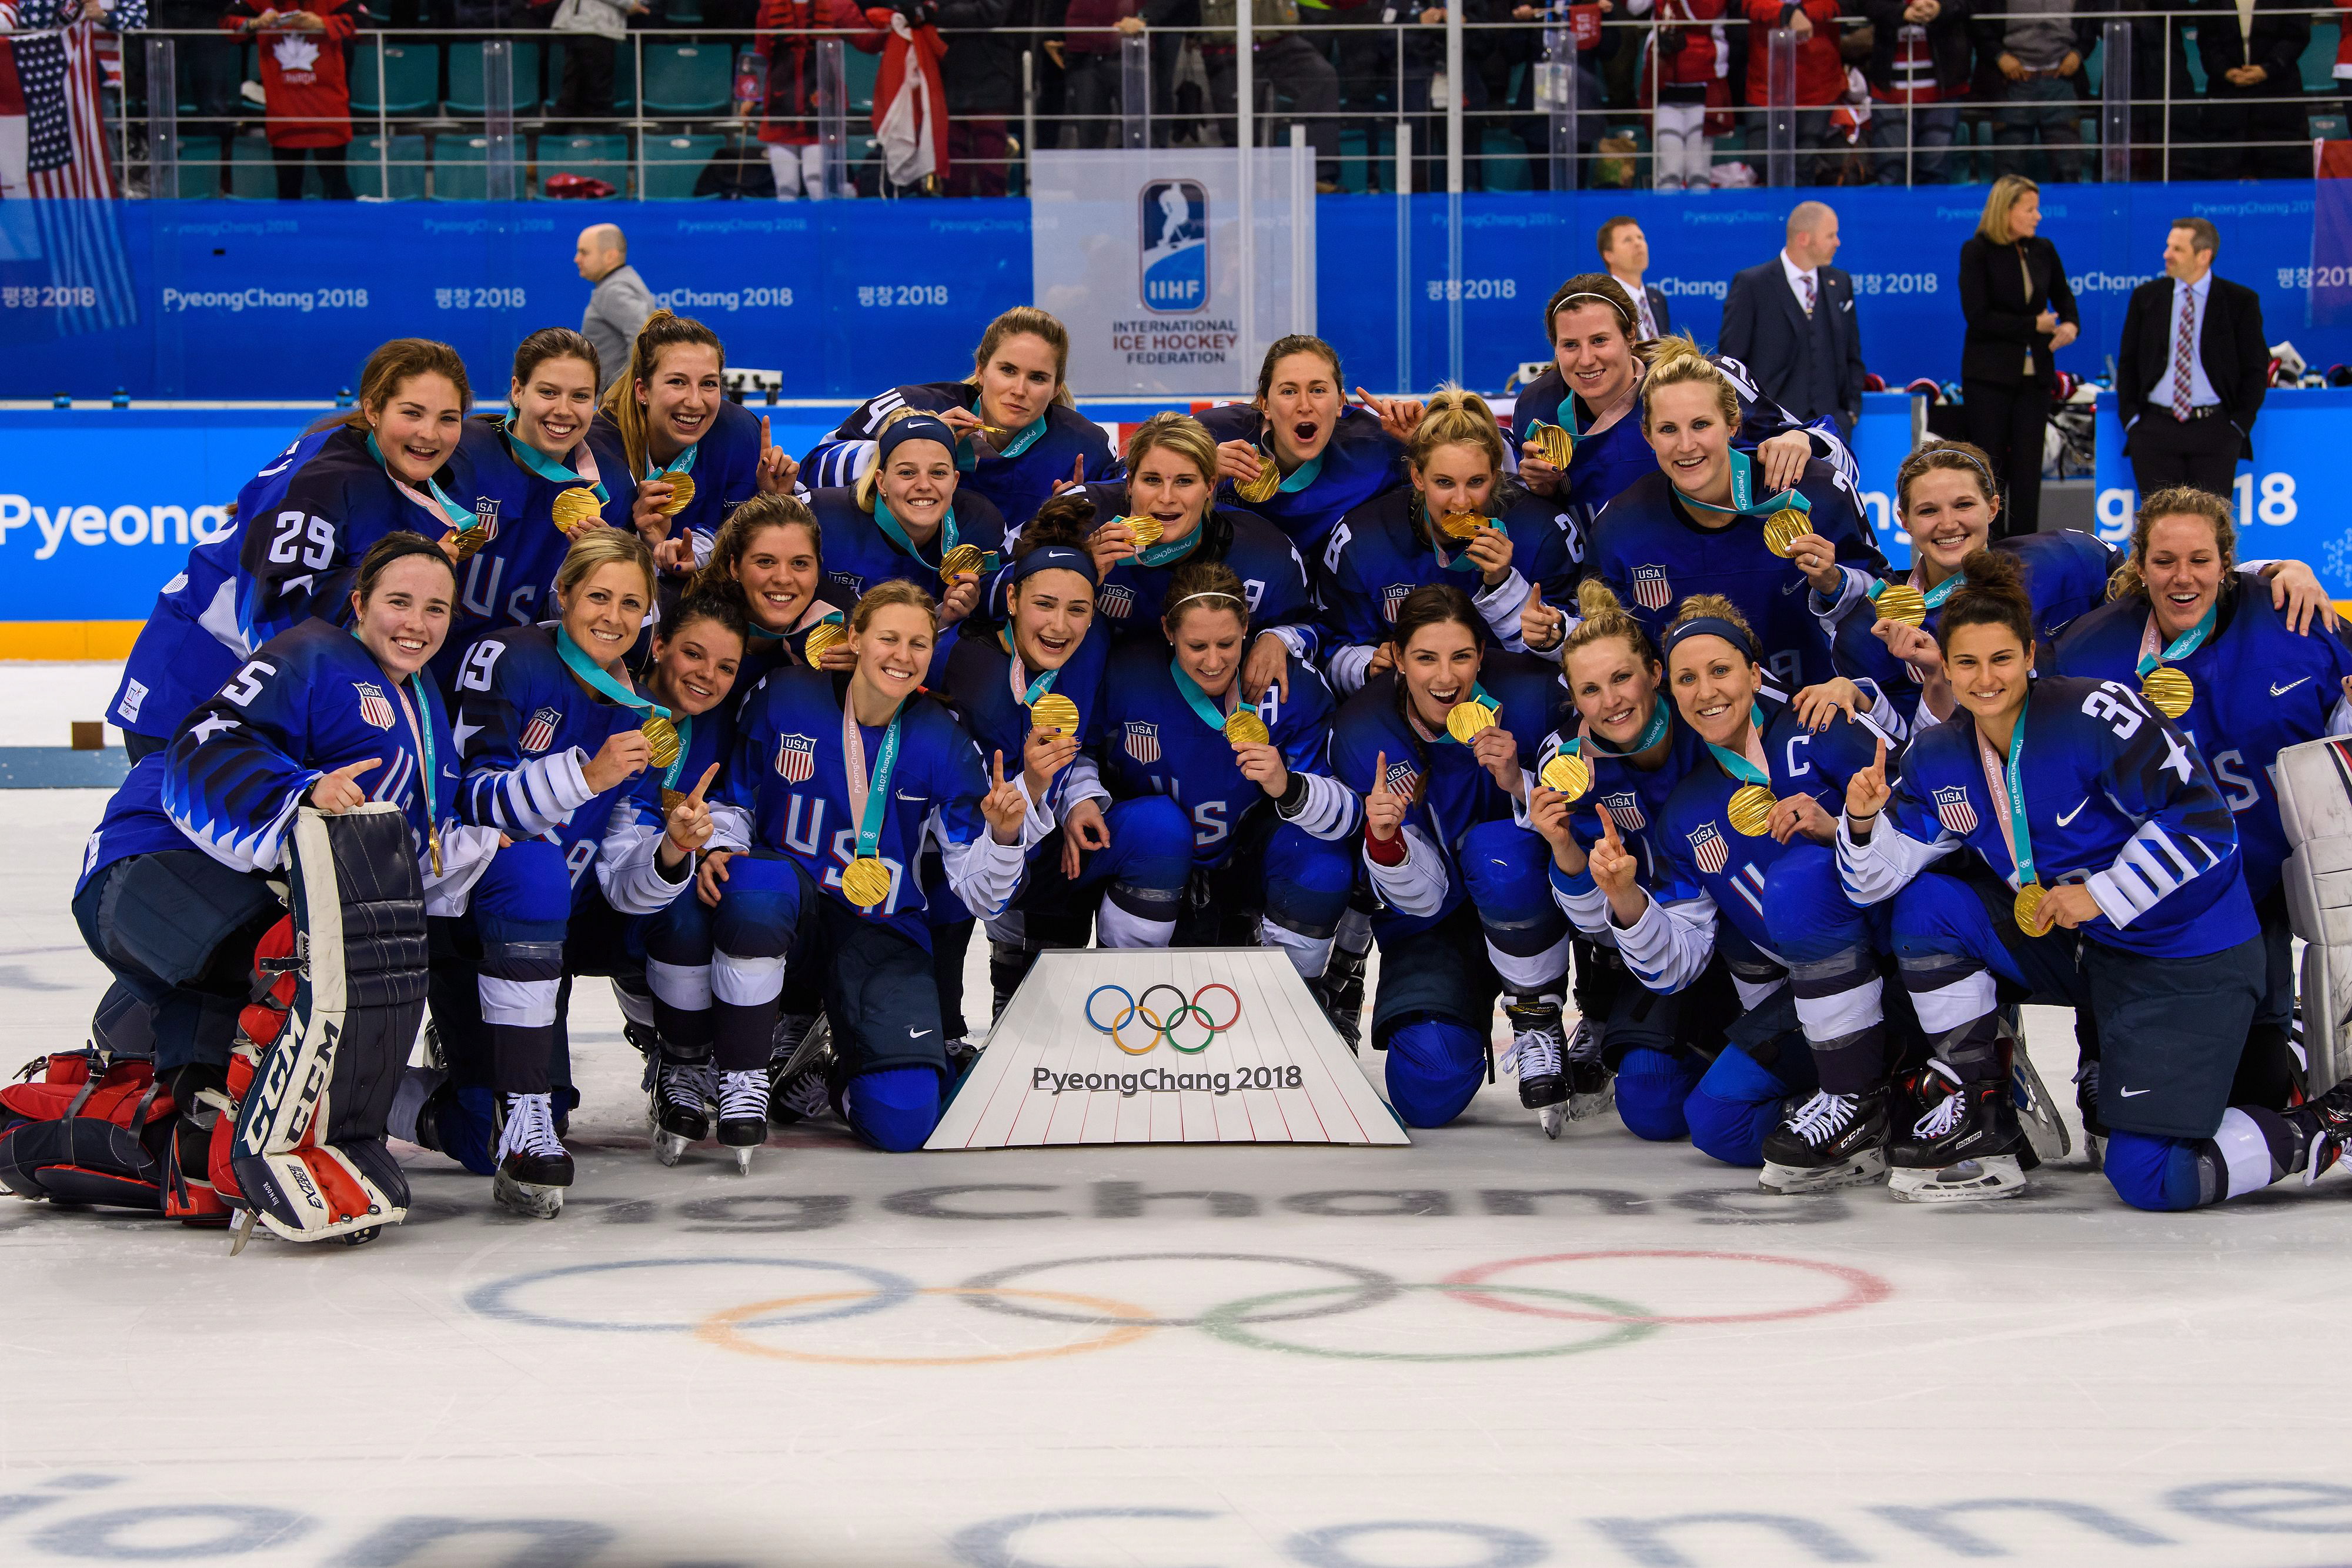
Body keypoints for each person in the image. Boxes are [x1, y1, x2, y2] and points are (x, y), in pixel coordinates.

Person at [1840, 547, 2352, 1212]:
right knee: (1927, 905)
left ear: (2030, 654)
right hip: (2087, 950)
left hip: (2182, 953)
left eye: (2000, 659)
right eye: (1965, 662)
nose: (1984, 678)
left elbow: (2206, 827)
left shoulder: (2096, 713)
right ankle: (1983, 1105)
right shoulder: (1937, 754)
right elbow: (1871, 885)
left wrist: (2100, 894)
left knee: (2149, 1175)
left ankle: (2332, 1121)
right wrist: (1858, 824)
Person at [73, 535, 489, 1211]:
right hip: (144, 869)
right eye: (400, 602)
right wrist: (299, 792)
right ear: (360, 602)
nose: (417, 622)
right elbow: (207, 740)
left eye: (436, 609)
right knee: (309, 965)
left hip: (203, 908)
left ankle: (133, 1061)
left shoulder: (421, 702)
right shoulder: (312, 652)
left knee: (195, 1161)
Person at [2054, 487, 2352, 1148]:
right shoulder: (2086, 654)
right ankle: (2098, 1052)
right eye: (2163, 561)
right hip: (2140, 898)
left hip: (2256, 889)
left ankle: (2287, 1038)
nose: (2181, 578)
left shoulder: (2298, 627)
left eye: (2199, 560)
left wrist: (2286, 570)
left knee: (2254, 1097)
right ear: (2139, 563)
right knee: (2123, 1122)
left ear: (2227, 564)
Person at [696, 582, 1038, 1154]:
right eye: (888, 639)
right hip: (795, 909)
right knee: (754, 884)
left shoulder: (943, 738)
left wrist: (1004, 838)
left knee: (902, 1124)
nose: (902, 656)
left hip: (880, 925)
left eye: (918, 644)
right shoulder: (785, 696)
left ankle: (832, 1072)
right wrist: (718, 847)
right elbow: (734, 801)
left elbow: (982, 895)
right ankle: (743, 1076)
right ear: (854, 638)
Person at [1577, 596, 1903, 1193]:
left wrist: (1842, 828)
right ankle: (1889, 1109)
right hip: (1816, 1001)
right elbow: (1674, 968)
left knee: (1798, 882)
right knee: (1716, 1122)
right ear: (1670, 692)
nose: (1706, 691)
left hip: (1907, 972)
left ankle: (1942, 1074)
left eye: (1720, 671)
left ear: (1754, 673)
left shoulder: (1820, 725)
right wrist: (1626, 898)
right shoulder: (1685, 812)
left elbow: (1934, 822)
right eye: (1687, 679)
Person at [438, 530, 717, 1216]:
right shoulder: (507, 655)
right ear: (563, 595)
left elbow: (619, 871)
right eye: (598, 596)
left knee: (500, 1132)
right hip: (462, 910)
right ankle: (372, 1088)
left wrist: (671, 852)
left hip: (543, 938)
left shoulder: (639, 717)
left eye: (631, 603)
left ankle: (512, 1099)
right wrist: (583, 776)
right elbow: (472, 795)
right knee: (532, 864)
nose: (612, 617)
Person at [106, 339, 476, 759]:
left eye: (448, 418)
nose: (429, 433)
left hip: (245, 702)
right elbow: (274, 610)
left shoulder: (387, 465)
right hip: (194, 695)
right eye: (411, 413)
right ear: (373, 410)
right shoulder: (323, 481)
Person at [1524, 581, 1760, 1151]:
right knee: (1650, 1107)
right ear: (1573, 699)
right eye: (1590, 690)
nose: (1610, 702)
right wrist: (1564, 848)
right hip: (1662, 940)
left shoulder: (1711, 715)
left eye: (1622, 678)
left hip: (1756, 939)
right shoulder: (1565, 765)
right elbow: (1592, 923)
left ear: (1655, 673)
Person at [1327, 584, 1570, 1128]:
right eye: (1426, 658)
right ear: (1398, 658)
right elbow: (1422, 897)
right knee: (1428, 1089)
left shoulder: (1534, 696)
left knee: (1497, 851)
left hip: (1526, 895)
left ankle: (1538, 1013)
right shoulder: (1364, 731)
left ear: (1482, 655)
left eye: (1462, 656)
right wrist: (1387, 842)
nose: (1446, 677)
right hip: (1433, 920)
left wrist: (1519, 784)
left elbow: (1582, 827)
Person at [1079, 559, 1359, 985]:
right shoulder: (1124, 674)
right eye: (1197, 646)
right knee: (1159, 827)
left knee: (1321, 861)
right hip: (1148, 858)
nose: (1214, 662)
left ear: (1247, 625)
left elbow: (1350, 817)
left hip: (1243, 862)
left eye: (1227, 643)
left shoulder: (1292, 688)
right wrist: (1082, 796)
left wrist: (1290, 785)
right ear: (1168, 632)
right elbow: (1078, 750)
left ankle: (1293, 999)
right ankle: (1126, 989)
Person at [1584, 339, 1883, 692]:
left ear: (1733, 424)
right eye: (1668, 430)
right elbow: (1610, 648)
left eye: (1701, 425)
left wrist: (1836, 585)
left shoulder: (1816, 492)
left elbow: (1888, 602)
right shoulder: (1620, 525)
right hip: (1691, 725)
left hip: (1813, 718)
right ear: (1648, 436)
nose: (1685, 445)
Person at [937, 510, 1110, 1034]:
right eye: (1044, 605)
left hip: (1020, 830)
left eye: (1078, 609)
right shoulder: (956, 661)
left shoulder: (1090, 650)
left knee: (1081, 851)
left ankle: (1023, 999)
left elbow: (1080, 750)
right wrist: (1031, 789)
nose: (1060, 626)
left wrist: (1076, 795)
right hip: (946, 844)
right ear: (1011, 600)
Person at [1509, 277, 1849, 541]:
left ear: (1631, 333)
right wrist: (1542, 492)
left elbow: (1839, 462)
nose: (1586, 359)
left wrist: (1803, 441)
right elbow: (1535, 525)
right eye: (1570, 345)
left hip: (1718, 566)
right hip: (1610, 586)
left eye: (1600, 340)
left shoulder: (1699, 384)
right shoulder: (1539, 406)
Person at [994, 414, 1314, 678]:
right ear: (1129, 482)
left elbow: (1319, 625)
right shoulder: (1078, 516)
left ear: (1210, 486)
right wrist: (1072, 570)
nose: (1166, 498)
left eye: (1185, 481)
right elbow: (995, 587)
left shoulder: (1266, 554)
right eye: (1152, 480)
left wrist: (1280, 638)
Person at [1317, 386, 1582, 696]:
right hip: (1408, 708)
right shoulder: (1361, 540)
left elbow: (1579, 659)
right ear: (1417, 477)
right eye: (1444, 482)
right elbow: (1331, 649)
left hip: (1516, 705)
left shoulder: (1543, 531)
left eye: (1476, 482)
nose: (1460, 501)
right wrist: (1368, 667)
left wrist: (1504, 585)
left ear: (1496, 476)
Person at [803, 307, 1121, 530]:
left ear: (1055, 389)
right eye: (1007, 370)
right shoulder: (911, 405)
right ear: (982, 369)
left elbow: (1135, 505)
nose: (1019, 390)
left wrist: (1088, 506)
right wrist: (916, 444)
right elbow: (814, 469)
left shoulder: (1084, 445)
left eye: (1038, 378)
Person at [443, 328, 620, 694]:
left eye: (581, 397)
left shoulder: (608, 484)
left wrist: (594, 575)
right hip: (424, 658)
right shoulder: (458, 453)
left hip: (516, 680)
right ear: (518, 391)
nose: (563, 410)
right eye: (548, 392)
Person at [587, 310, 797, 568]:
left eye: (709, 384)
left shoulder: (739, 434)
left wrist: (772, 502)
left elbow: (751, 558)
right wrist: (643, 542)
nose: (695, 402)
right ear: (643, 391)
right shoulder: (598, 451)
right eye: (677, 382)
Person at [1200, 334, 1416, 559]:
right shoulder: (1213, 434)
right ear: (1265, 405)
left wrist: (1423, 440)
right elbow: (1161, 466)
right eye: (1289, 392)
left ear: (1341, 403)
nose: (1305, 406)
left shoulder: (1378, 444)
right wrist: (1200, 469)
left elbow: (1444, 478)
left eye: (1318, 390)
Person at [803, 412, 1006, 652]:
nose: (924, 485)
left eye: (938, 473)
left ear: (955, 481)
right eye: (907, 473)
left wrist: (945, 621)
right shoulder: (823, 516)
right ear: (881, 482)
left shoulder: (979, 525)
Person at [2114, 218, 2270, 502]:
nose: (2166, 255)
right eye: (2167, 246)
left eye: (2177, 249)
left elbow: (2256, 369)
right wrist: (2133, 421)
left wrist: (2237, 426)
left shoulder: (2240, 302)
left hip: (2215, 431)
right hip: (2154, 431)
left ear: (2204, 255)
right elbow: (2128, 364)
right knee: (2156, 524)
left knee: (2212, 527)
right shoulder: (2146, 297)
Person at [1958, 175, 2079, 538]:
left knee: (2028, 471)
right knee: (1989, 469)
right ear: (2005, 210)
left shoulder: (2043, 249)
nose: (2038, 216)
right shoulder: (1976, 251)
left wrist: (2071, 324)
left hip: (2035, 380)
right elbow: (1978, 317)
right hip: (1989, 379)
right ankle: (1986, 551)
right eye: (2029, 209)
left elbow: (2065, 297)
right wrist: (2033, 325)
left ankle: (2027, 550)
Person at [1720, 202, 1866, 442]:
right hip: (1769, 430)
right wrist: (1750, 415)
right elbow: (1733, 360)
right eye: (1831, 235)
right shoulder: (1753, 284)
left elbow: (1852, 352)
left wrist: (1849, 412)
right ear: (1804, 239)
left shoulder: (1840, 283)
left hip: (1831, 429)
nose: (1837, 242)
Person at [223, 0, 356, 200]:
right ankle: (292, 232)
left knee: (336, 184)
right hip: (284, 112)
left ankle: (347, 231)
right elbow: (226, 23)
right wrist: (256, 23)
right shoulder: (259, 3)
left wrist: (321, 23)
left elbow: (360, 21)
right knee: (288, 191)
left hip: (327, 111)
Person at [749, 0, 879, 198]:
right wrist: (750, 97)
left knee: (816, 183)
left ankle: (822, 228)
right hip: (781, 110)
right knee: (785, 188)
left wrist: (889, 21)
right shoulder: (769, 5)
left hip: (822, 114)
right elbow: (761, 52)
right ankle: (790, 228)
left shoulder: (837, 4)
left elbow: (867, 42)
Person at [1975, 0, 2092, 183]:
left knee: (2068, 170)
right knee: (2008, 174)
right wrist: (1999, 55)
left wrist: (2079, 53)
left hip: (2061, 81)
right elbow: (1978, 22)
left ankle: (2071, 210)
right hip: (2011, 83)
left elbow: (2093, 22)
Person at [2191, 0, 2308, 182]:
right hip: (2227, 98)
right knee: (2223, 180)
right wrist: (2226, 71)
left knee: (2281, 178)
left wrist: (2268, 69)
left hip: (2278, 99)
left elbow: (2296, 35)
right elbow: (2207, 41)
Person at [1862, 0, 1969, 185]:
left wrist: (1939, 9)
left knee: (1935, 173)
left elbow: (1969, 6)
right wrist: (1901, 11)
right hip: (1890, 88)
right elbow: (1864, 5)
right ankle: (1894, 215)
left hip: (1943, 88)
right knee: (1891, 172)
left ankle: (1930, 214)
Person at [1739, 0, 1845, 181]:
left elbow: (1837, 4)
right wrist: (1788, 14)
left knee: (1804, 166)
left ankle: (1802, 209)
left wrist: (1801, 13)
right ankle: (1779, 208)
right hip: (1765, 87)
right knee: (1760, 160)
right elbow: (1747, 4)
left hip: (1817, 86)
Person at [1638, 0, 1730, 193]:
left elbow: (1703, 13)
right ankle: (1666, 223)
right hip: (1665, 86)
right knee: (1668, 173)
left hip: (1704, 86)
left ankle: (1698, 222)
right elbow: (1635, 6)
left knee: (1699, 173)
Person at [575, 225, 656, 391]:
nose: (577, 259)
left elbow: (642, 336)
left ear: (610, 256)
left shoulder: (613, 290)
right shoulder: (623, 281)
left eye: (584, 252)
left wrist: (623, 394)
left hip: (611, 406)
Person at [551, 0, 650, 132]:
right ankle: (603, 141)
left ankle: (557, 136)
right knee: (593, 91)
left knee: (577, 88)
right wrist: (630, 3)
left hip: (589, 26)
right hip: (590, 25)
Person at [1597, 216, 1671, 339]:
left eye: (1640, 238)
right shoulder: (1605, 302)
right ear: (1609, 255)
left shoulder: (1657, 298)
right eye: (1627, 240)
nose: (1638, 244)